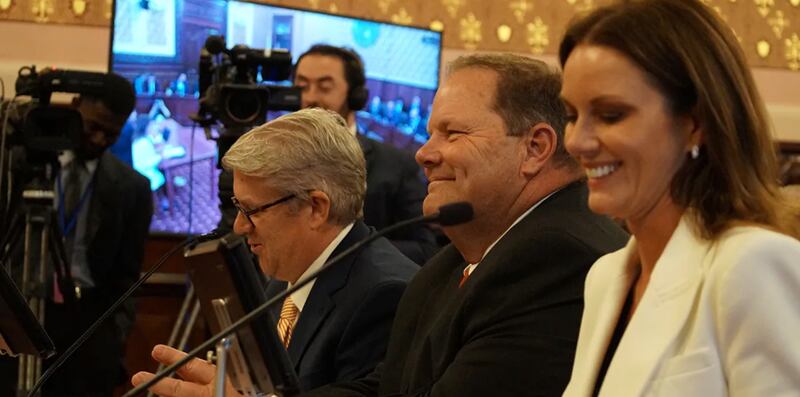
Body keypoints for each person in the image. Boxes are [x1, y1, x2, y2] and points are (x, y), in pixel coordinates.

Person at [132, 54, 628, 397]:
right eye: (431, 131)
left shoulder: (555, 257)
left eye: (451, 133)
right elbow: (384, 385)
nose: (424, 153)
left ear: (536, 148)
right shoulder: (463, 254)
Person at [557, 1, 800, 395]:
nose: (578, 142)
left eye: (611, 115)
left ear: (695, 124)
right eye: (571, 115)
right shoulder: (605, 277)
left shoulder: (751, 264)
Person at [132, 108, 419, 393]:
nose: (241, 227)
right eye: (237, 207)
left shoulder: (384, 295)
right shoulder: (287, 271)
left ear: (316, 208)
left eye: (251, 210)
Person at [0, 72, 153, 397]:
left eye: (110, 134)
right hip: (16, 315)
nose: (98, 139)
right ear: (75, 106)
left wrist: (115, 337)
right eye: (92, 126)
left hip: (87, 325)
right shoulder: (17, 165)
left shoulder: (132, 188)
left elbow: (127, 277)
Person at [293, 44, 438, 265]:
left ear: (355, 95)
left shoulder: (397, 165)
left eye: (324, 87)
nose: (310, 98)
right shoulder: (276, 161)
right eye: (302, 86)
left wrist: (347, 248)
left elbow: (425, 248)